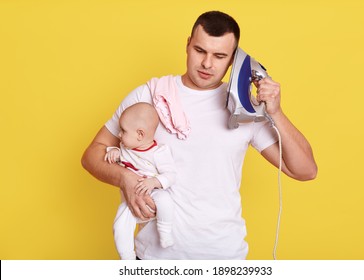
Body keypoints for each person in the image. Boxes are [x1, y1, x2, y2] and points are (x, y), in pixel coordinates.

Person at [81, 10, 317, 260]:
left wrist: (276, 113)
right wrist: (125, 179)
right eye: (200, 51)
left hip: (224, 258)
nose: (207, 64)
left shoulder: (245, 108)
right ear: (187, 45)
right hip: (153, 260)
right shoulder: (150, 95)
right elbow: (92, 155)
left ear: (233, 61)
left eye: (219, 56)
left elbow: (304, 170)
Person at [104, 102, 176, 260]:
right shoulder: (124, 149)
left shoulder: (159, 152)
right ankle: (127, 256)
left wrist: (154, 182)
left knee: (165, 200)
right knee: (120, 225)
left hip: (154, 192)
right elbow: (114, 156)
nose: (119, 135)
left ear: (140, 135)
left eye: (123, 131)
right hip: (132, 200)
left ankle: (165, 231)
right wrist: (113, 151)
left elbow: (171, 175)